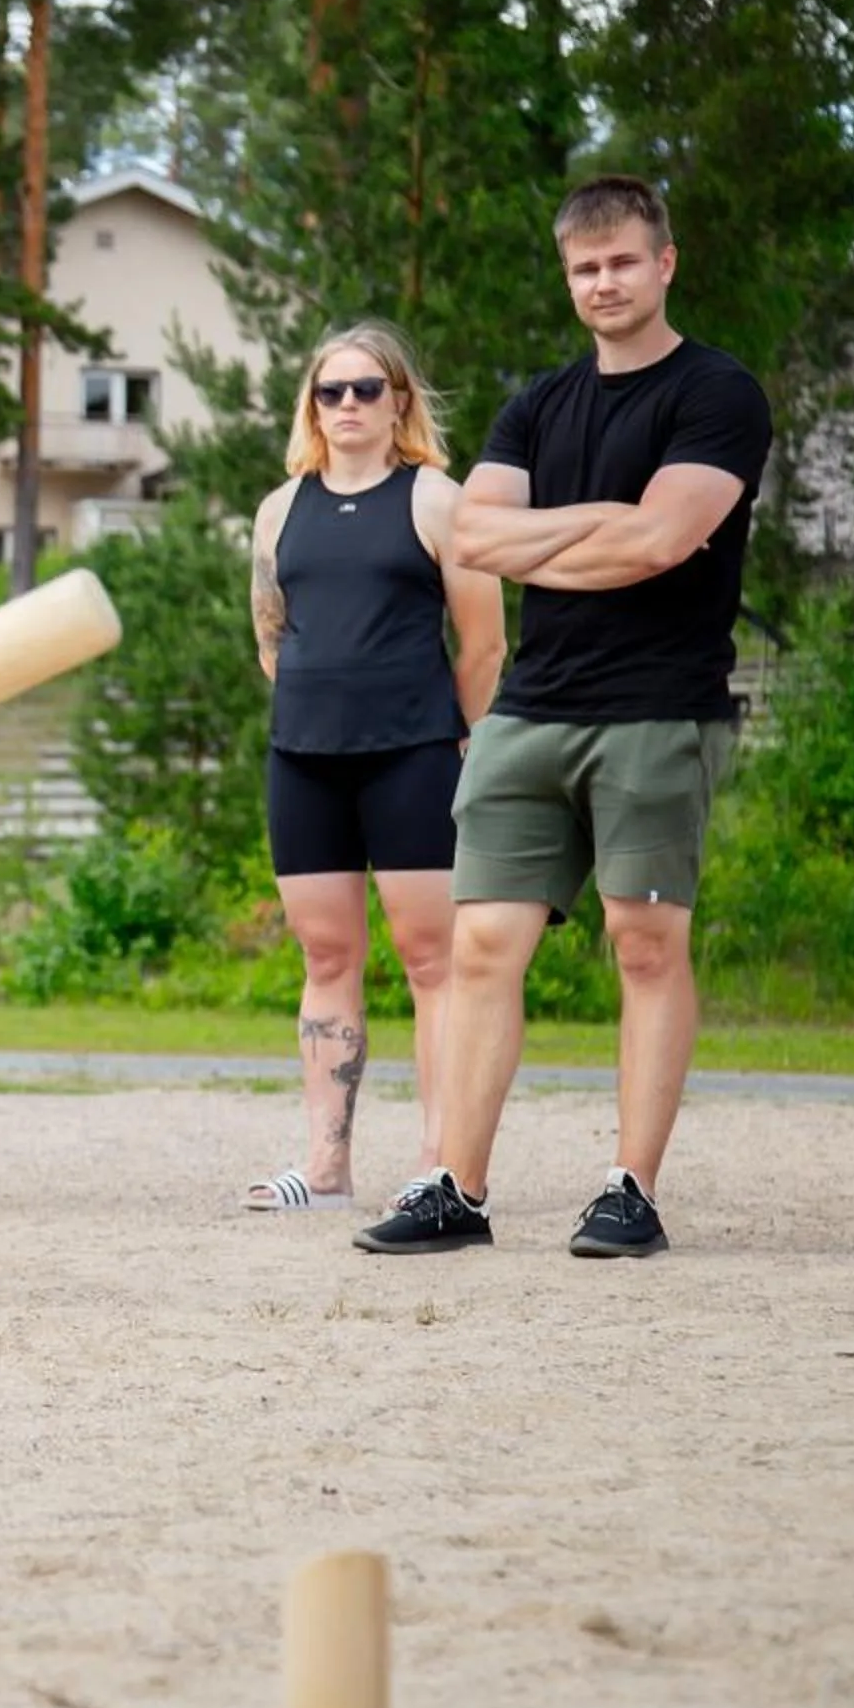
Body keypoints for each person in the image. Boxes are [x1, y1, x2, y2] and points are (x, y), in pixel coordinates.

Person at [359, 174, 771, 1258]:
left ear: (664, 261)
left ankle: (630, 1188)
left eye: (622, 261)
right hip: (529, 709)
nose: (603, 282)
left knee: (644, 942)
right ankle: (457, 1184)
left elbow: (661, 542)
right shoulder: (537, 403)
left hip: (656, 709)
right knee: (484, 942)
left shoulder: (718, 394)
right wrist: (607, 524)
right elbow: (471, 539)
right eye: (585, 267)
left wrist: (568, 531)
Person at [242, 324, 503, 1213]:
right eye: (330, 391)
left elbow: (484, 643)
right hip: (305, 760)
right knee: (325, 954)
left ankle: (439, 1166)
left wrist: (466, 742)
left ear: (399, 400)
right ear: (310, 407)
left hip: (416, 754)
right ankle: (325, 1167)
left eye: (365, 389)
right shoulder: (280, 509)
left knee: (433, 961)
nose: (347, 405)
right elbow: (271, 636)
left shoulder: (437, 499)